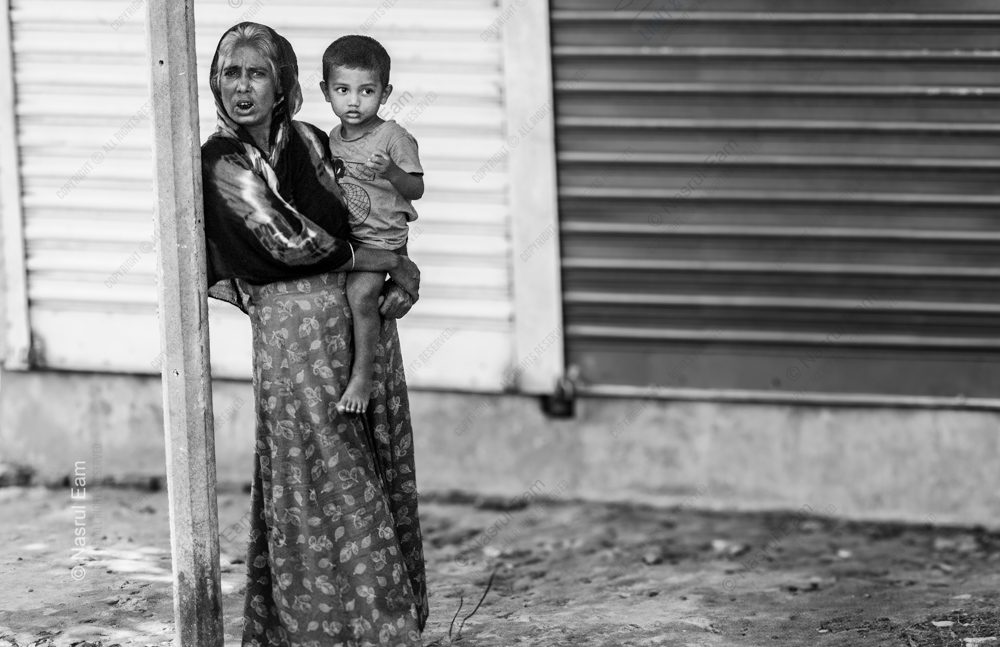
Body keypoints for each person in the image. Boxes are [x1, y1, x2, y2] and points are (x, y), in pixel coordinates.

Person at [200, 22, 429, 645]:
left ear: (283, 85)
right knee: (320, 466)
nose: (242, 87)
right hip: (291, 336)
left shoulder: (309, 139)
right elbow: (286, 240)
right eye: (230, 73)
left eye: (257, 73)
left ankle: (384, 620)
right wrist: (381, 262)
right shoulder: (222, 160)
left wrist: (396, 263)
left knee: (375, 455)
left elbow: (363, 214)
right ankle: (339, 628)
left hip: (358, 321)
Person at [319, 34, 424, 415]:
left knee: (362, 297)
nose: (353, 100)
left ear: (385, 92)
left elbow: (417, 188)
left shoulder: (393, 137)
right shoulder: (330, 140)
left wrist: (392, 171)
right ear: (326, 91)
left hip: (383, 242)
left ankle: (362, 377)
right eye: (342, 89)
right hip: (352, 239)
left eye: (366, 91)